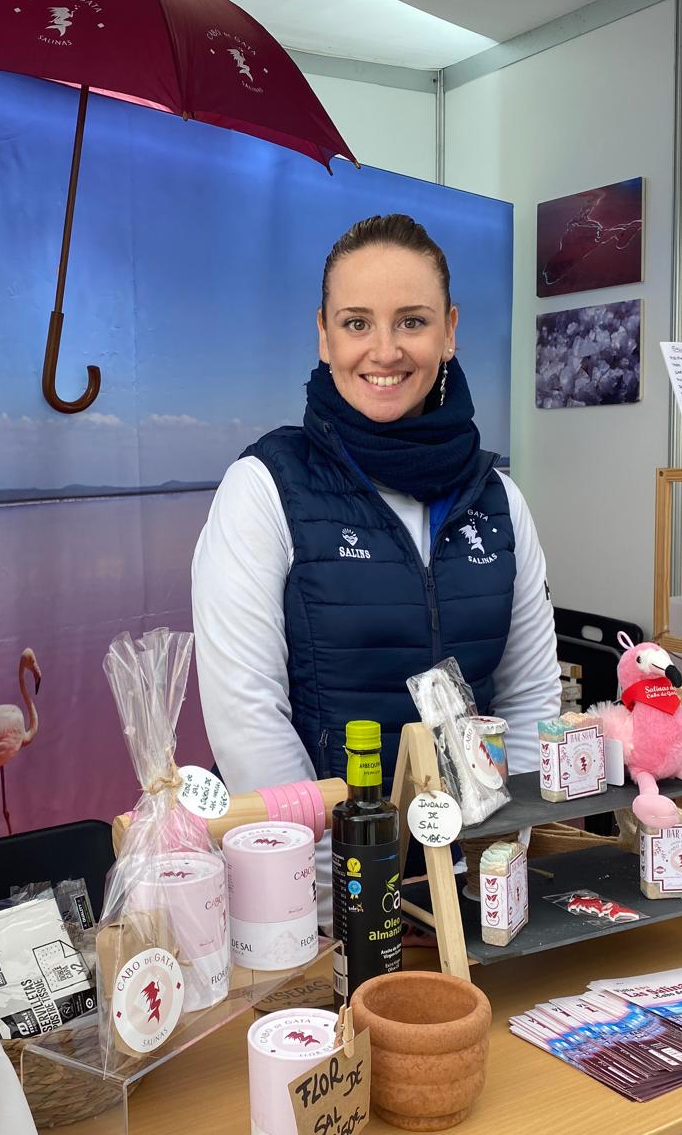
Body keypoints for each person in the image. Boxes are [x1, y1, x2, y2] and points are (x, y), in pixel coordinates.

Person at [192, 213, 559, 818]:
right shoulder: (264, 488)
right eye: (356, 323)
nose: (384, 351)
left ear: (449, 332)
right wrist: (336, 879)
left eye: (412, 322)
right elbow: (247, 716)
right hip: (322, 881)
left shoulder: (498, 501)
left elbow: (529, 696)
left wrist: (497, 852)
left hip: (470, 876)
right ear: (324, 335)